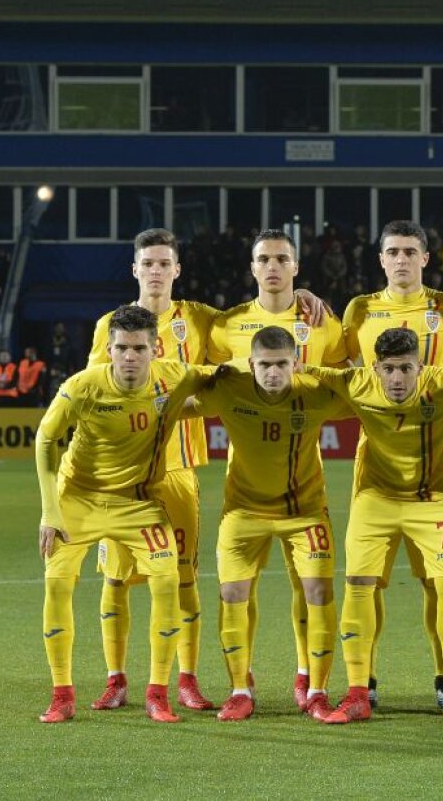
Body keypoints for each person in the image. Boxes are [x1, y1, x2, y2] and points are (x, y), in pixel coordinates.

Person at [34, 304, 220, 724]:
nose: (130, 357)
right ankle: (62, 693)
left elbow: (229, 376)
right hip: (77, 500)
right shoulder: (83, 386)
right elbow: (46, 440)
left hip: (137, 503)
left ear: (155, 348)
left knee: (169, 577)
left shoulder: (173, 376)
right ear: (110, 349)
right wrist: (50, 513)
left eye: (138, 348)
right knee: (58, 585)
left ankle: (158, 692)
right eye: (121, 348)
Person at [306, 328, 443, 726]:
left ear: (420, 366)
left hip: (433, 500)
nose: (398, 379)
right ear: (376, 368)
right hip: (376, 500)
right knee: (358, 587)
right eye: (389, 369)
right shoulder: (355, 382)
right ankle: (357, 693)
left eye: (406, 368)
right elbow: (302, 370)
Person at [209, 227, 348, 710]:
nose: (272, 267)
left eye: (282, 259)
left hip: (303, 490)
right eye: (263, 258)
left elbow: (347, 378)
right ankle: (239, 686)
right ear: (251, 268)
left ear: (296, 267)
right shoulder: (222, 326)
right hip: (244, 491)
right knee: (234, 591)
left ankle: (310, 678)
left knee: (309, 586)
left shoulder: (324, 320)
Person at [86, 228, 221, 714]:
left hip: (179, 469)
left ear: (177, 270)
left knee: (184, 576)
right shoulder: (110, 325)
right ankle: (115, 679)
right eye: (149, 263)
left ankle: (186, 678)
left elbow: (260, 319)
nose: (157, 271)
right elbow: (95, 390)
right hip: (123, 477)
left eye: (166, 263)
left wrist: (304, 296)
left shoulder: (201, 320)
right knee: (116, 578)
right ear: (135, 269)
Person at [190, 327, 350, 722]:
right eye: (265, 365)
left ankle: (316, 689)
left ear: (295, 364)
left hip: (305, 512)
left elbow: (366, 393)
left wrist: (324, 372)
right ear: (251, 364)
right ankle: (240, 689)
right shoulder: (230, 390)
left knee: (317, 590)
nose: (273, 373)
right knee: (232, 594)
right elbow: (180, 399)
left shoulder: (314, 393)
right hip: (243, 513)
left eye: (282, 364)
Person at [341, 220, 443, 710]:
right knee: (365, 582)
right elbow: (332, 364)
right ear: (381, 260)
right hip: (375, 470)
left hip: (436, 467)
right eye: (392, 251)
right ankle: (363, 684)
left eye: (410, 251)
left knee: (439, 582)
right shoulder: (360, 310)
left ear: (425, 258)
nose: (401, 260)